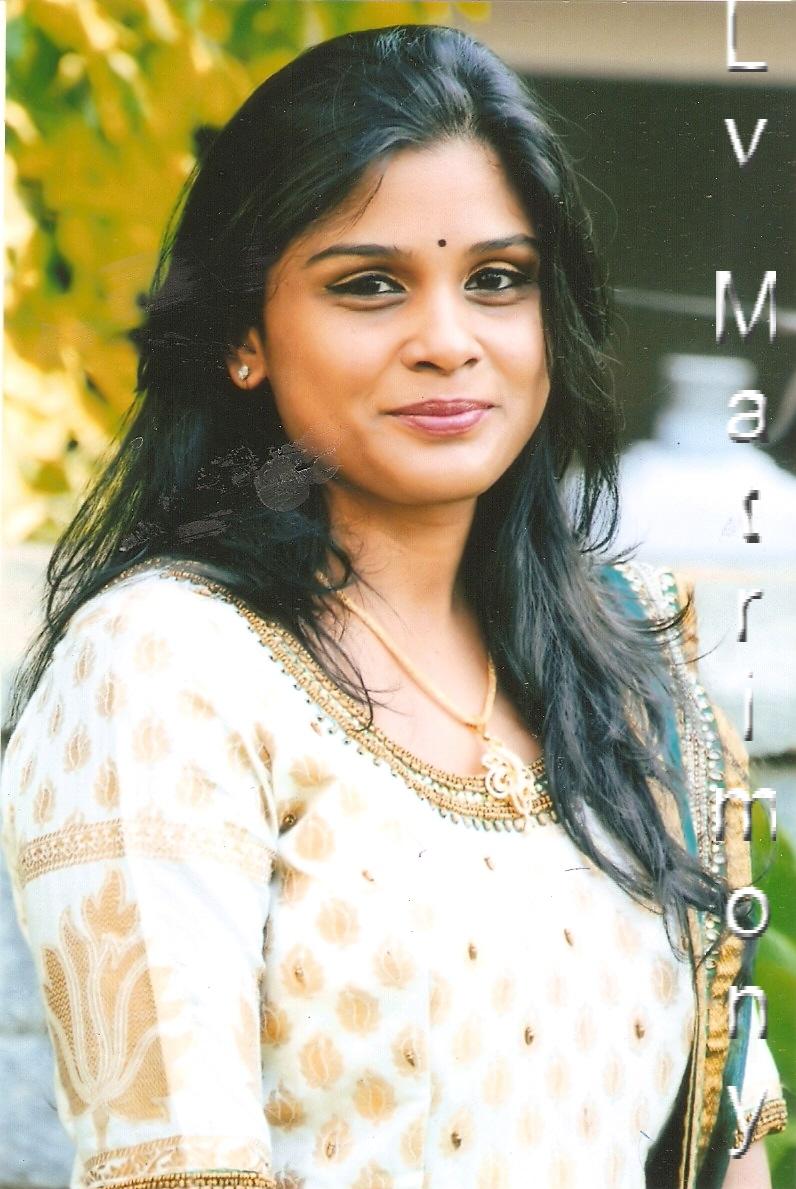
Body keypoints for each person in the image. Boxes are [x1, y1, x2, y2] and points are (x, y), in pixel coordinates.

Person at [0, 24, 787, 1189]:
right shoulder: (165, 667)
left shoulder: (627, 672)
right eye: (369, 285)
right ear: (243, 336)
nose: (447, 342)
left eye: (497, 280)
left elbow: (721, 1147)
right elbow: (172, 1165)